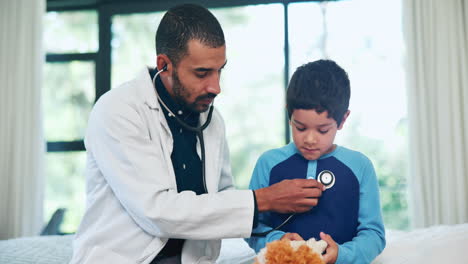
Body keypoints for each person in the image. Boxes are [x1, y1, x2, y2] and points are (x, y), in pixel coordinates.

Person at [69, 4, 325, 264]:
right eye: (202, 73)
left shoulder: (212, 121)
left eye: (220, 70)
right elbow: (157, 212)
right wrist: (264, 199)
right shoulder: (119, 110)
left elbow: (222, 198)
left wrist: (273, 236)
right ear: (164, 65)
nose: (216, 87)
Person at [246, 60, 386, 263]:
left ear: (343, 120)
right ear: (289, 115)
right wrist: (278, 241)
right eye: (300, 127)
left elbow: (374, 235)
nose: (310, 139)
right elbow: (251, 227)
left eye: (322, 130)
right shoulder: (268, 163)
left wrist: (342, 254)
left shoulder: (360, 166)